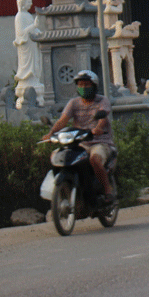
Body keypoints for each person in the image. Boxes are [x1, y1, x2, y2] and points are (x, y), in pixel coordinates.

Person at [42, 70, 116, 203]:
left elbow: (103, 117)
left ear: (94, 86)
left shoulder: (102, 101)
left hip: (99, 142)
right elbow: (62, 120)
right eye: (80, 85)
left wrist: (97, 129)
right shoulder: (73, 103)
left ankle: (107, 190)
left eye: (86, 85)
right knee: (57, 156)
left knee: (95, 159)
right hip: (79, 143)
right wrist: (50, 133)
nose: (83, 88)